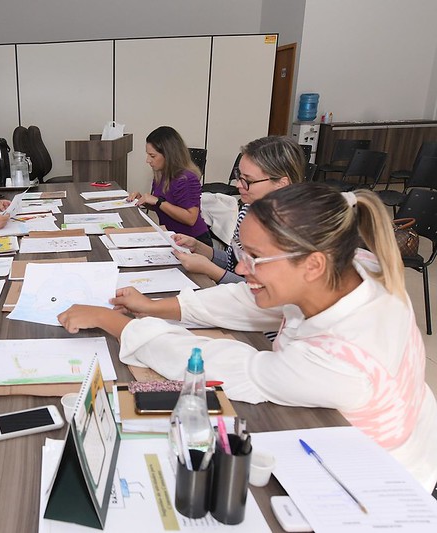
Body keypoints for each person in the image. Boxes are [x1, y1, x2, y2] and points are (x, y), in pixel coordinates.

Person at [58, 184, 437, 491]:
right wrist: (154, 307)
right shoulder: (347, 268)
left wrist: (115, 323)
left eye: (255, 256)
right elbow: (243, 300)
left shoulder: (344, 359)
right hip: (346, 435)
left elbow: (224, 368)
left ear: (313, 263)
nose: (240, 268)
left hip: (376, 484)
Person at [174, 135, 305, 284]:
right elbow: (234, 263)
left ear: (281, 183)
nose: (238, 185)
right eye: (239, 176)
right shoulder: (248, 210)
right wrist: (198, 247)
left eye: (248, 180)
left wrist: (210, 270)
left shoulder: (292, 231)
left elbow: (260, 291)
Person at [127, 126, 212, 246]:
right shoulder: (161, 175)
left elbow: (190, 218)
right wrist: (143, 200)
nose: (148, 160)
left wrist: (158, 201)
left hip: (194, 241)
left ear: (168, 155)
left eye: (152, 156)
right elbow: (162, 207)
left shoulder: (186, 178)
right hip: (173, 237)